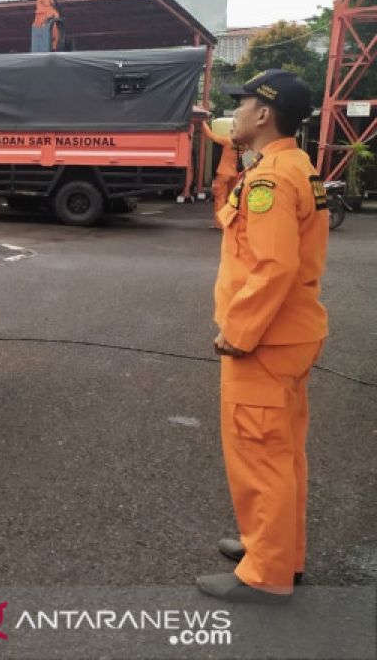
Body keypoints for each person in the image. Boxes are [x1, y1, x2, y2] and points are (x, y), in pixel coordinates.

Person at [196, 69, 326, 604]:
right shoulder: (292, 164)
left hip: (265, 340)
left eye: (244, 102)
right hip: (289, 335)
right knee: (284, 451)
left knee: (260, 453)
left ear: (264, 113)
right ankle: (275, 550)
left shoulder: (272, 178)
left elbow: (273, 265)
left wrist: (239, 332)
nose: (239, 111)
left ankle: (266, 573)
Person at [202, 120, 242, 223]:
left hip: (224, 172)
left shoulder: (228, 141)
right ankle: (231, 221)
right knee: (232, 200)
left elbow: (210, 135)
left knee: (220, 198)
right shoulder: (244, 143)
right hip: (237, 174)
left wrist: (203, 122)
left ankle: (220, 223)